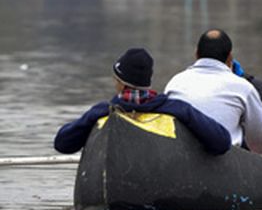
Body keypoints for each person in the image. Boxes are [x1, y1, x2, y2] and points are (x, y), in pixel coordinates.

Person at [55, 48, 231, 155]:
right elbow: (222, 143)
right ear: (147, 83)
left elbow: (62, 144)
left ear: (120, 83)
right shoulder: (177, 109)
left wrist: (89, 119)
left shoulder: (101, 112)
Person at [165, 29, 262, 155]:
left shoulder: (175, 82)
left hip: (180, 158)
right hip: (226, 163)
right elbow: (261, 141)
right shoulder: (243, 87)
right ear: (230, 58)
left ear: (196, 54)